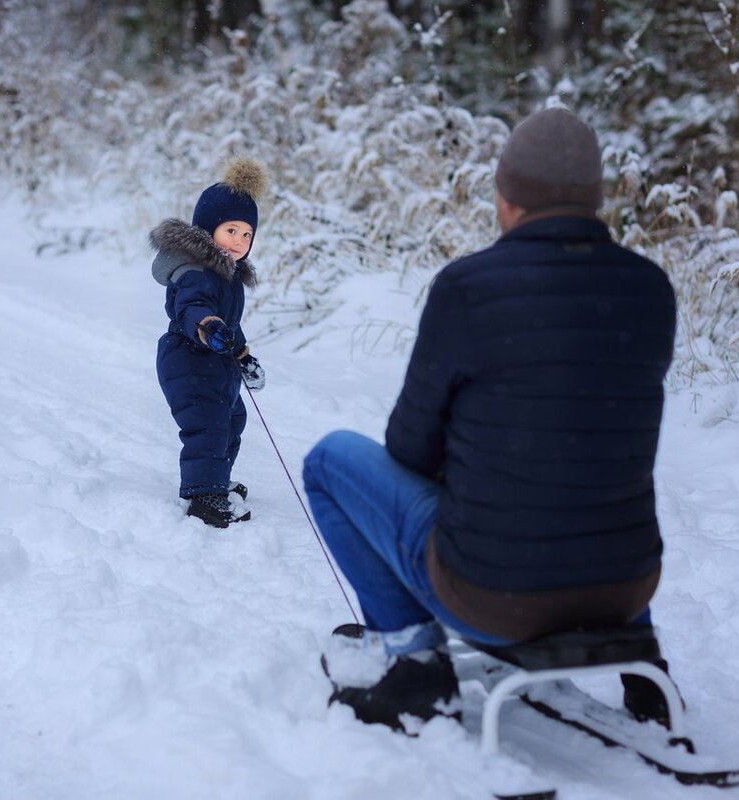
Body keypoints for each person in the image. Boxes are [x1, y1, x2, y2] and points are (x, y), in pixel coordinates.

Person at [304, 108, 678, 732]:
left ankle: (413, 662)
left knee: (327, 460)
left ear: (505, 198)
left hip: (495, 599)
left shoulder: (468, 287)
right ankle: (647, 671)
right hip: (627, 589)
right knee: (593, 468)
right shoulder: (651, 289)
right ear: (597, 199)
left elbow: (409, 448)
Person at [152, 158, 269, 528]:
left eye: (247, 235)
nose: (239, 241)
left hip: (216, 363)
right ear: (208, 229)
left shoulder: (229, 277)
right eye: (231, 230)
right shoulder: (196, 272)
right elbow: (192, 309)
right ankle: (203, 495)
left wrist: (243, 356)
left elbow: (230, 325)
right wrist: (207, 325)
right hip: (187, 360)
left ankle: (217, 480)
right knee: (209, 425)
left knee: (233, 419)